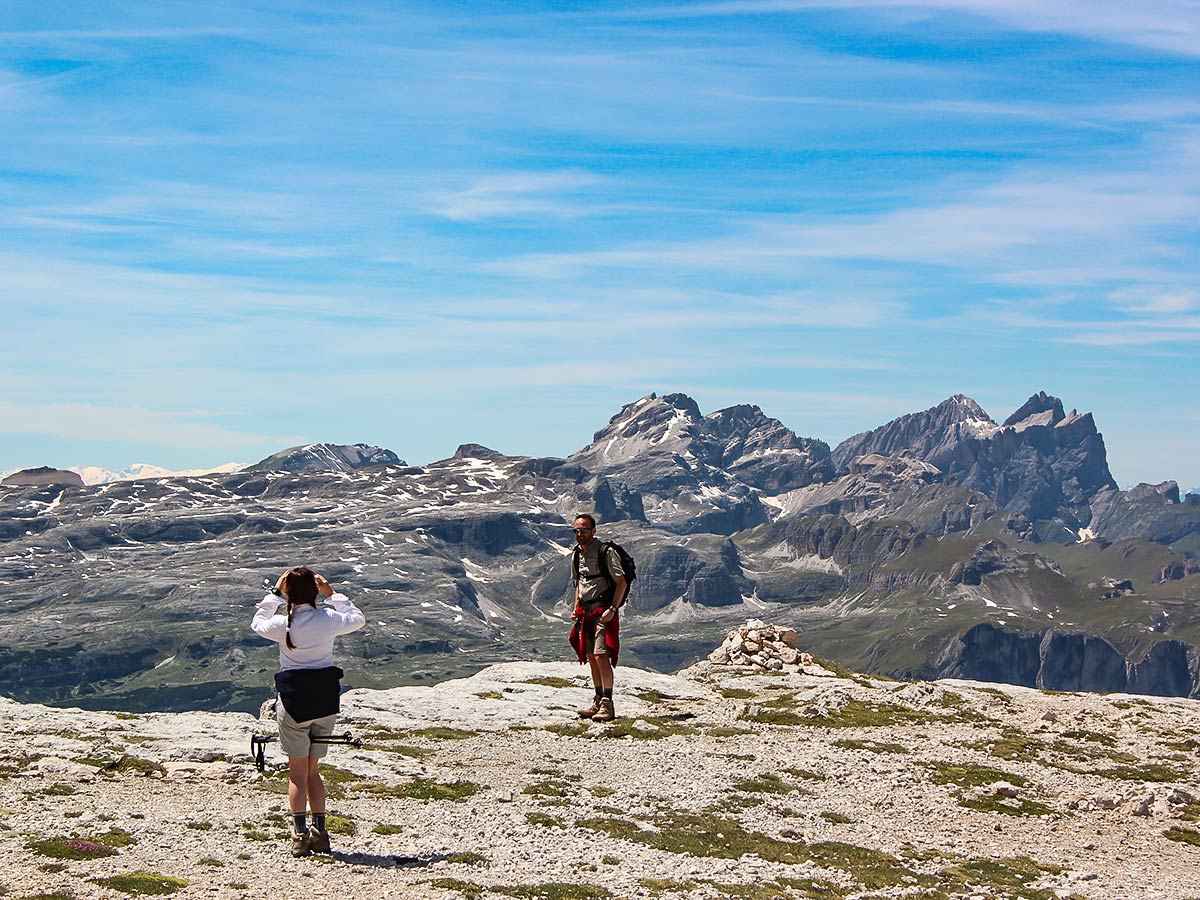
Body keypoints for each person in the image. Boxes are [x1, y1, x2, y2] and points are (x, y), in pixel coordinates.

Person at [251, 567, 364, 858]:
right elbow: (357, 619)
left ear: (288, 591)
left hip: (294, 703)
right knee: (314, 772)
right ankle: (321, 833)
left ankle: (300, 837)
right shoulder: (327, 619)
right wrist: (333, 594)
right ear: (315, 591)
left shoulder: (282, 625)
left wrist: (275, 595)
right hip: (325, 702)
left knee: (297, 774)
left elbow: (257, 623)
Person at [568, 513, 628, 722]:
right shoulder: (576, 554)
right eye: (576, 530)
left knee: (601, 655)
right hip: (585, 611)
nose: (579, 533)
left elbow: (621, 582)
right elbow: (579, 583)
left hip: (603, 610)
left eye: (584, 529)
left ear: (593, 530)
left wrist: (613, 608)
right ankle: (598, 699)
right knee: (592, 656)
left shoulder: (605, 552)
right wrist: (576, 606)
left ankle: (607, 705)